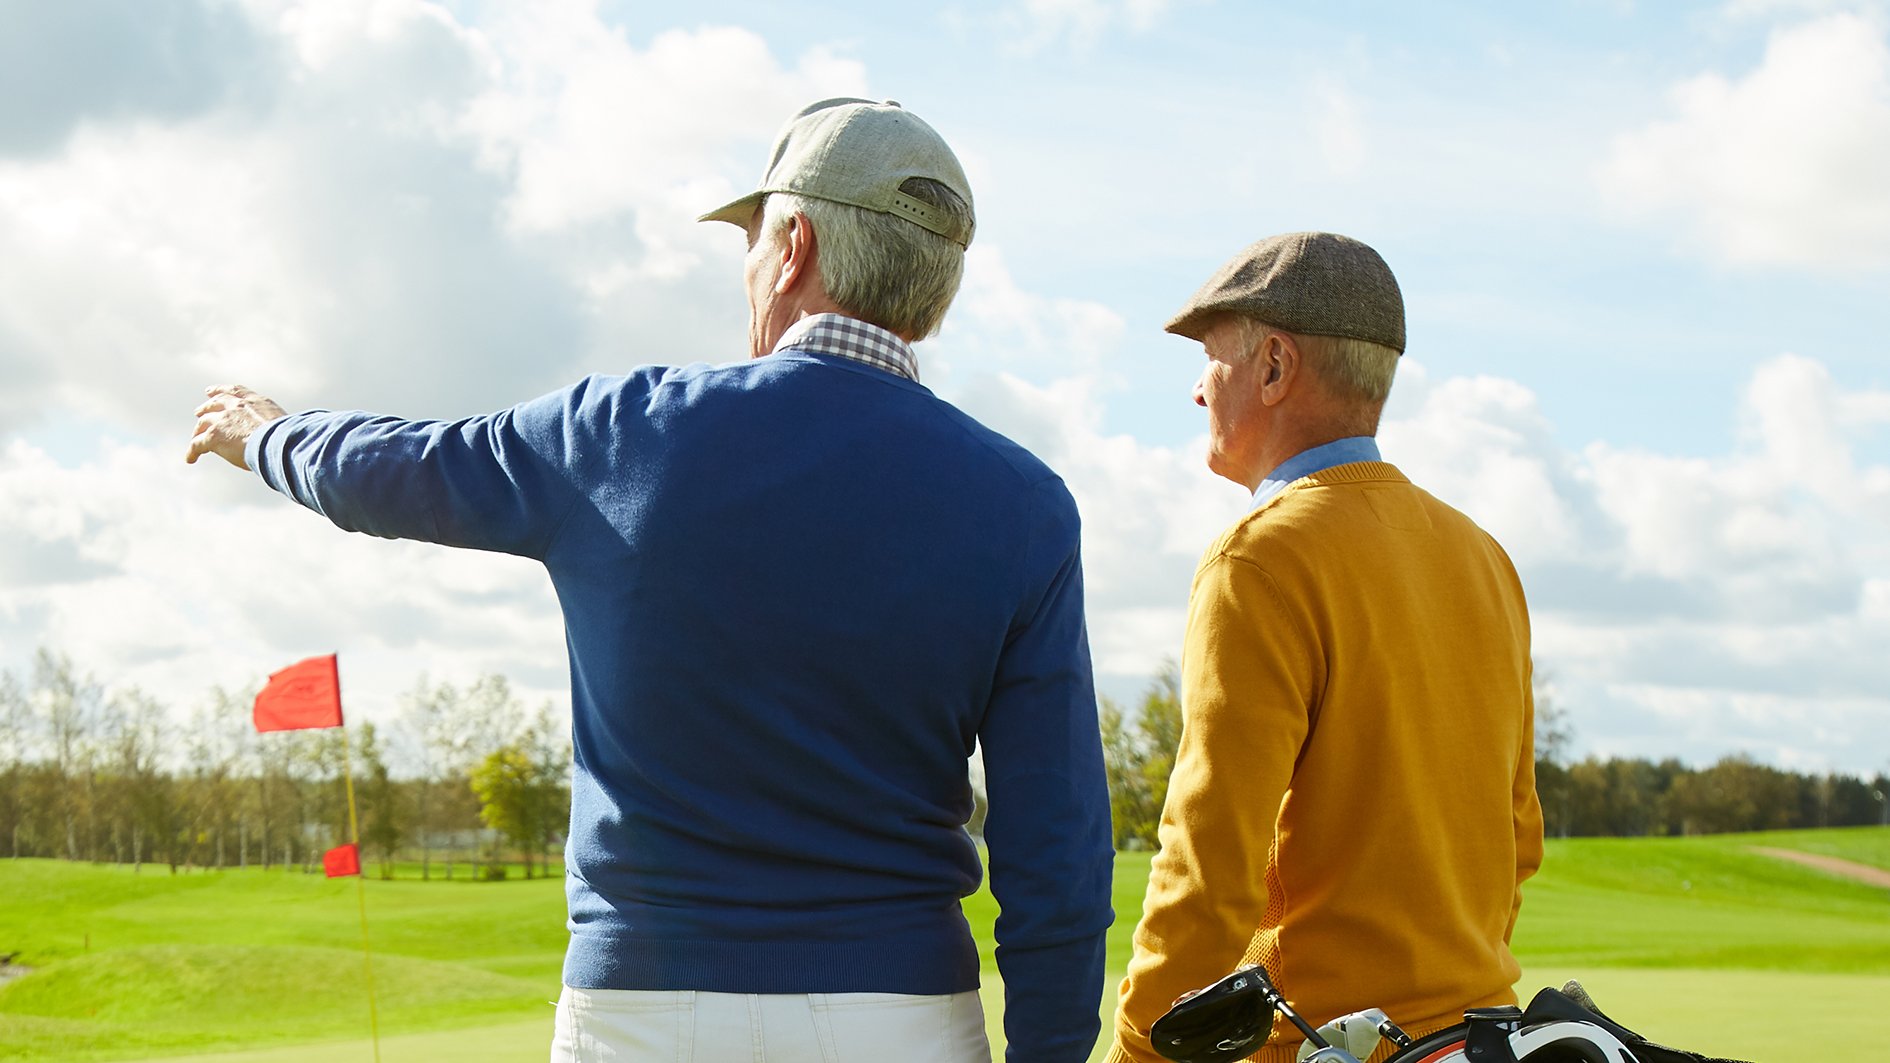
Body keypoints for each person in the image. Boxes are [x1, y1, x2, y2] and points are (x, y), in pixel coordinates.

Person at [188, 97, 1114, 1063]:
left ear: (793, 246)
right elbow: (1058, 845)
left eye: (752, 238)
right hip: (903, 1016)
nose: (748, 264)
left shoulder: (620, 431)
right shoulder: (1024, 502)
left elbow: (396, 469)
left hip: (642, 1017)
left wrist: (266, 433)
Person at [1106, 232, 1544, 1063]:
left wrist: (1137, 1051)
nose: (1199, 390)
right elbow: (1517, 838)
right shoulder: (1483, 555)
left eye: (1211, 358)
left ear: (1273, 367)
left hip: (1321, 1045)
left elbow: (1209, 870)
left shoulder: (1260, 557)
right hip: (1478, 1040)